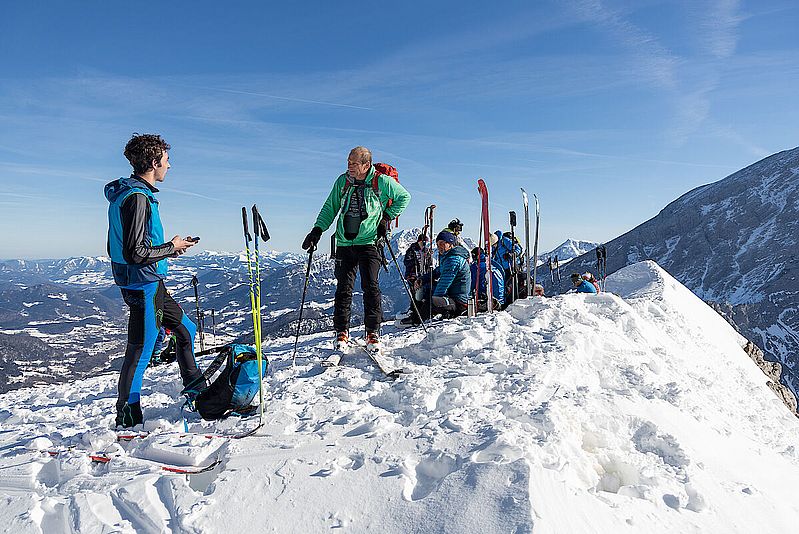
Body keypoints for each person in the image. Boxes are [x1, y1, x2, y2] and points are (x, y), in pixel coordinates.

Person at [104, 133, 202, 428]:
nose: (169, 166)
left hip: (148, 279)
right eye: (167, 161)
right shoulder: (137, 198)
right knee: (141, 349)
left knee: (186, 328)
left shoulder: (129, 194)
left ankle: (196, 390)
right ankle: (128, 415)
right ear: (154, 162)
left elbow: (126, 247)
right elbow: (136, 251)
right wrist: (171, 247)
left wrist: (169, 251)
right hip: (143, 284)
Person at [302, 146, 410, 352]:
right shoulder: (342, 182)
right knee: (343, 289)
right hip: (344, 243)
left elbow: (404, 197)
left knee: (371, 287)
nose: (349, 166)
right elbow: (330, 207)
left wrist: (386, 217)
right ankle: (341, 332)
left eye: (354, 163)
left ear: (366, 164)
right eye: (348, 162)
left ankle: (373, 333)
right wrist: (317, 230)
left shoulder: (382, 181)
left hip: (370, 242)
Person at [403, 230, 471, 324]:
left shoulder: (453, 260)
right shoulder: (448, 257)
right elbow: (437, 272)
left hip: (458, 302)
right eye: (438, 245)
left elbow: (443, 284)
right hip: (451, 295)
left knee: (431, 300)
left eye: (442, 244)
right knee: (424, 289)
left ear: (450, 244)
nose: (440, 247)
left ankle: (417, 320)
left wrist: (434, 303)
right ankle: (415, 315)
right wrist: (422, 280)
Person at [470, 247, 504, 311]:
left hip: (487, 299)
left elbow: (472, 283)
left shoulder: (476, 266)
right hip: (500, 298)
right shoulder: (492, 263)